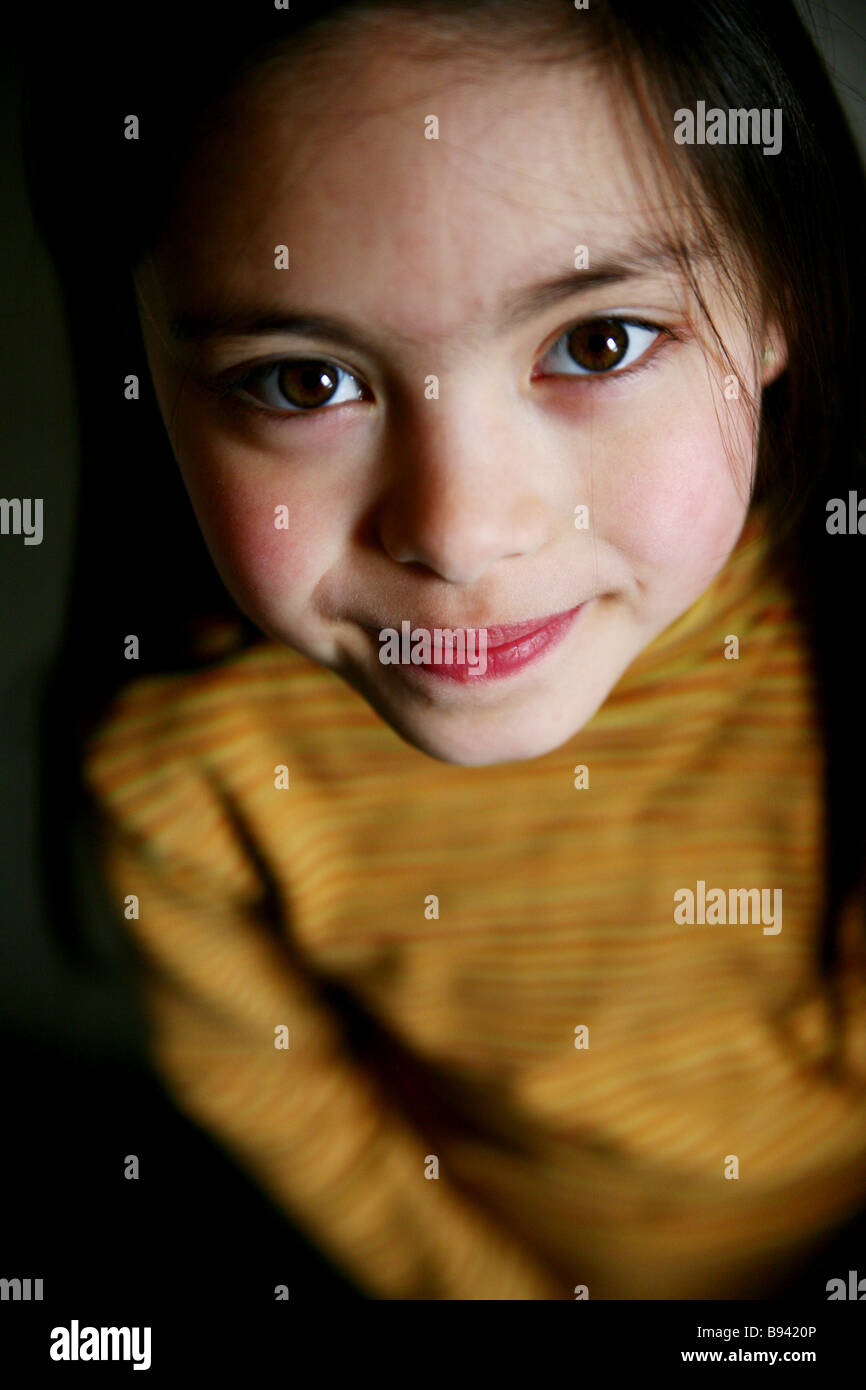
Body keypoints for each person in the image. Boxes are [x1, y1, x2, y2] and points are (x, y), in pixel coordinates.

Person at [23, 0, 866, 1299]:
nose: (461, 534)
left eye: (597, 342)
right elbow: (267, 1080)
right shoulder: (189, 771)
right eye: (301, 382)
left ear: (777, 305)